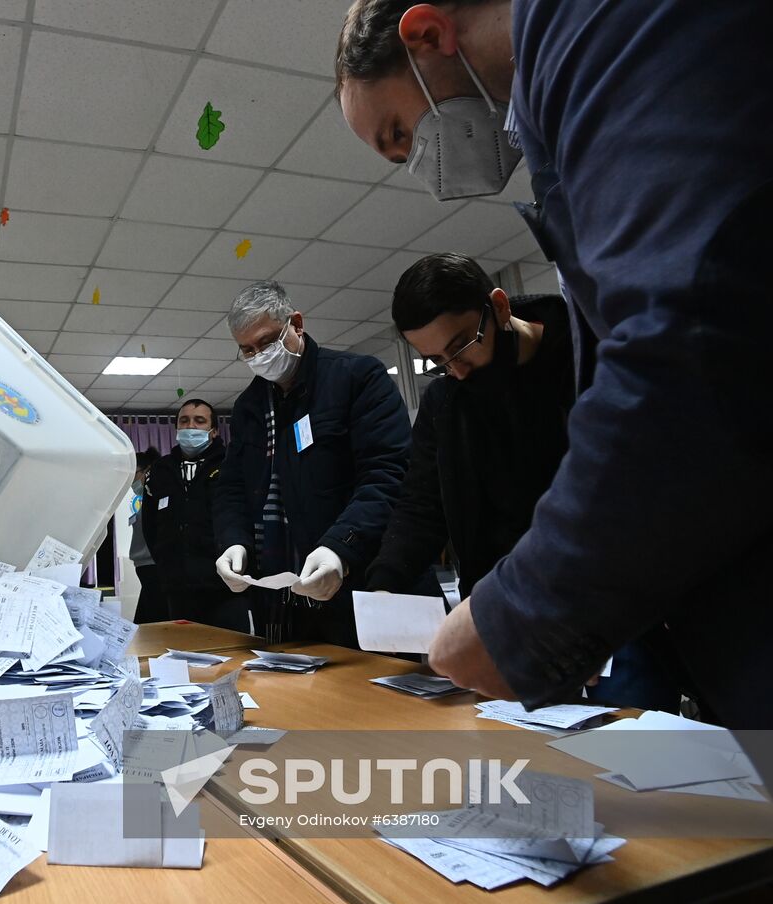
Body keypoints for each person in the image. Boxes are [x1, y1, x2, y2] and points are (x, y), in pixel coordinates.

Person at [334, 0, 773, 726]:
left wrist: (522, 615)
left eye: (402, 135)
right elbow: (420, 503)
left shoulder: (605, 35)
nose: (422, 165)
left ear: (427, 34)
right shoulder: (555, 117)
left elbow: (692, 342)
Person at [361, 253, 680, 711]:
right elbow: (421, 503)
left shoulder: (587, 354)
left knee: (630, 748)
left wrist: (577, 618)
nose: (456, 369)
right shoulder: (446, 402)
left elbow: (628, 493)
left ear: (499, 307)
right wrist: (385, 584)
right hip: (505, 616)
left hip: (609, 606)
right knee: (521, 757)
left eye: (461, 345)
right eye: (436, 360)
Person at [213, 281, 410, 645]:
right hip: (281, 602)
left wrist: (341, 547)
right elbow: (232, 488)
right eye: (247, 350)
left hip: (361, 583)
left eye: (268, 342)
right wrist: (233, 541)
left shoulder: (357, 377)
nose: (260, 356)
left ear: (296, 324)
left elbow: (388, 475)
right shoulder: (249, 407)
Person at [141, 399, 249, 632]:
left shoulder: (232, 465)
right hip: (177, 588)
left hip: (224, 587)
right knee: (185, 657)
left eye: (199, 421)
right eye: (184, 421)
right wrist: (166, 562)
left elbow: (242, 516)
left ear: (214, 431)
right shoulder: (161, 470)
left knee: (230, 655)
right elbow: (150, 526)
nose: (191, 426)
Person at [129, 448, 168, 624]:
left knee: (151, 623)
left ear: (147, 471)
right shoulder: (144, 501)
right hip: (145, 567)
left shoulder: (160, 500)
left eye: (134, 474)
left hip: (154, 567)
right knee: (144, 623)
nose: (131, 481)